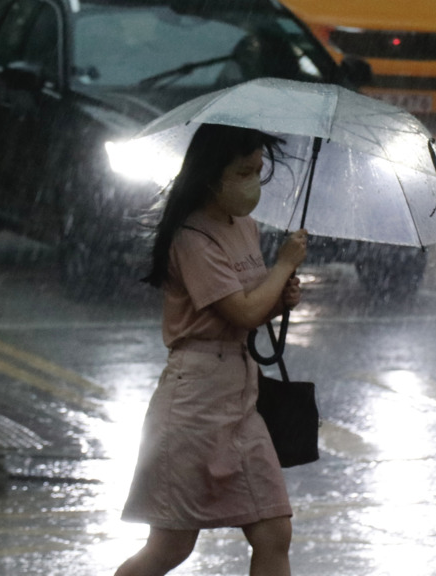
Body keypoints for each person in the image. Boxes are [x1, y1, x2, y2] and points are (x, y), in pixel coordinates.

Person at [115, 124, 309, 576]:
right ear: (210, 176)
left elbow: (254, 308)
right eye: (242, 172)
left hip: (240, 396)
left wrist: (281, 296)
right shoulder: (191, 237)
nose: (253, 183)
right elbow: (242, 311)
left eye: (258, 171)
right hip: (194, 401)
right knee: (171, 546)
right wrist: (282, 266)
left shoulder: (245, 226)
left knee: (274, 531)